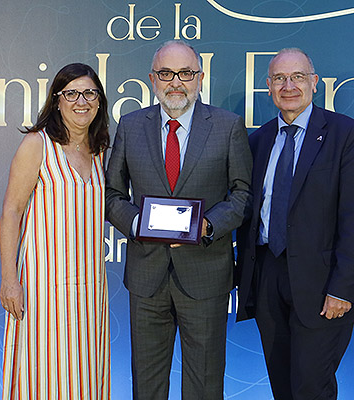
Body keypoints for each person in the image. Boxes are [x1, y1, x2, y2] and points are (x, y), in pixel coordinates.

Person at [105, 40, 252, 400]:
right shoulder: (130, 125)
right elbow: (111, 196)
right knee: (147, 385)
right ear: (152, 79)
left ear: (199, 78)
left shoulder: (228, 126)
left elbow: (242, 195)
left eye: (185, 73)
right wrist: (139, 224)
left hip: (205, 275)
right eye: (166, 74)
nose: (176, 82)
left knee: (204, 385)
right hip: (146, 277)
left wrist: (207, 226)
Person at [236, 48, 354, 400]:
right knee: (282, 386)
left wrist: (343, 288)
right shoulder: (258, 141)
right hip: (268, 276)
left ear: (314, 83)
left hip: (323, 284)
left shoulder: (346, 135)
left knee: (311, 387)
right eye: (280, 79)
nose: (289, 86)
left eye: (297, 77)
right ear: (267, 87)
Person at [0, 63, 111, 399]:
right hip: (43, 289)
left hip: (90, 290)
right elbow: (11, 211)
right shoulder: (38, 145)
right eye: (72, 93)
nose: (82, 101)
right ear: (57, 100)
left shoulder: (100, 150)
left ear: (99, 101)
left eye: (90, 93)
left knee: (86, 374)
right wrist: (9, 279)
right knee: (44, 374)